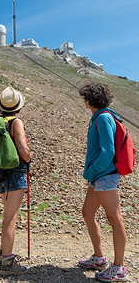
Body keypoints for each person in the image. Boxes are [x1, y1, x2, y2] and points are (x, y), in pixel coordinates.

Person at [78, 82, 128, 282]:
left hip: (104, 175)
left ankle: (119, 268)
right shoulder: (100, 116)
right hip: (99, 176)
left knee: (114, 219)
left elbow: (108, 151)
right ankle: (99, 259)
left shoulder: (103, 118)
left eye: (85, 98)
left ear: (90, 100)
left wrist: (92, 171)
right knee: (88, 213)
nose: (84, 101)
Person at [0, 86, 31, 276]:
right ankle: (7, 263)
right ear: (18, 106)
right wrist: (29, 157)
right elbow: (23, 150)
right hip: (14, 173)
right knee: (11, 217)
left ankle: (4, 251)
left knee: (8, 212)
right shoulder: (16, 122)